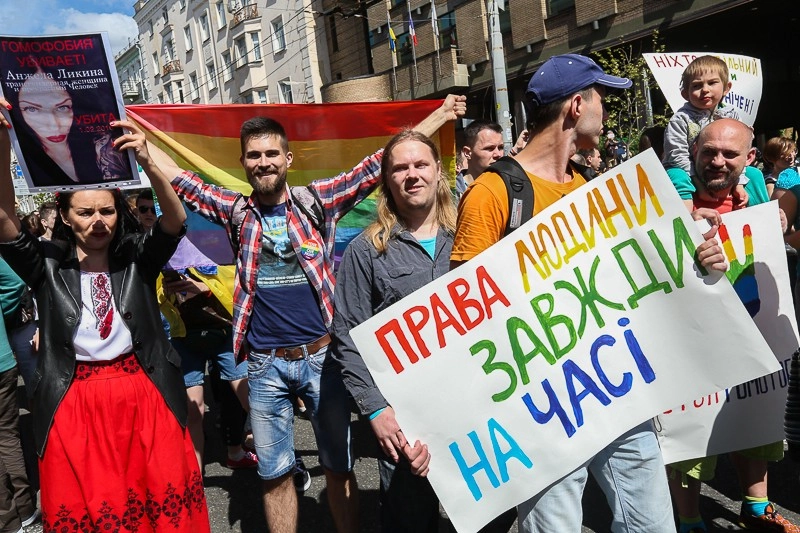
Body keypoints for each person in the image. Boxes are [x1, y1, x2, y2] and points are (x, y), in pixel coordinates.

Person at [146, 95, 466, 533]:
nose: (263, 162)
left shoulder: (317, 202)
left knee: (339, 466)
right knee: (273, 474)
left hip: (324, 361)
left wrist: (440, 117)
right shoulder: (238, 212)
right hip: (263, 365)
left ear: (288, 158)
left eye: (271, 153)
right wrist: (142, 143)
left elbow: (381, 162)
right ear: (244, 163)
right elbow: (183, 180)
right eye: (254, 156)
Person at [451, 53, 674, 533]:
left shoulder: (592, 190)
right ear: (576, 105)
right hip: (543, 403)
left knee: (652, 524)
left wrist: (695, 252)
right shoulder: (493, 193)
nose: (606, 113)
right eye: (602, 100)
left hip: (614, 384)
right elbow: (463, 311)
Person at [0, 102, 210, 532]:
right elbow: (3, 220)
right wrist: (2, 141)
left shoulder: (136, 257)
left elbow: (175, 221)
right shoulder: (46, 266)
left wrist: (148, 160)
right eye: (85, 212)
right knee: (97, 508)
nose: (98, 221)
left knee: (159, 503)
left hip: (144, 394)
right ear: (64, 215)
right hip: (74, 401)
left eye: (107, 210)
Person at [673, 118, 797, 533]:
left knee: (755, 412)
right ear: (694, 152)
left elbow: (772, 237)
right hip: (691, 335)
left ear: (749, 158)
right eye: (709, 151)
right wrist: (686, 223)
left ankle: (756, 506)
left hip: (751, 324)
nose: (718, 161)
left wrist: (778, 224)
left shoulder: (757, 187)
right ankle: (689, 518)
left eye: (730, 154)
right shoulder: (672, 188)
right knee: (692, 427)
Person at [331, 129, 450, 532]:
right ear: (387, 180)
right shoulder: (367, 250)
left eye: (420, 165)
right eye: (400, 168)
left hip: (475, 406)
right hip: (406, 418)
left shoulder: (472, 234)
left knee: (491, 516)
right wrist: (376, 411)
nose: (411, 175)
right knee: (411, 519)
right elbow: (347, 336)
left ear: (438, 172)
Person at [5, 64, 128, 187]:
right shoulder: (25, 162)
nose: (54, 125)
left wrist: (146, 161)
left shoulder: (104, 148)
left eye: (62, 107)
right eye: (31, 109)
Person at [661, 55, 747, 209]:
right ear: (685, 94)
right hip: (686, 170)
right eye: (696, 85)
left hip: (716, 168)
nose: (705, 90)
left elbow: (741, 151)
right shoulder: (681, 119)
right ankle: (687, 218)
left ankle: (762, 217)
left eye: (712, 83)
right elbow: (676, 155)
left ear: (727, 88)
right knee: (677, 176)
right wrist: (698, 183)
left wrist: (739, 182)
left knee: (754, 174)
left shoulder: (732, 116)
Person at [0, 258, 39, 532]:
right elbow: (14, 284)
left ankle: (11, 519)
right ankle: (23, 510)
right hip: (3, 360)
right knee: (7, 434)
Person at [455, 120, 504, 197]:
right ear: (467, 153)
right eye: (489, 148)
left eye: (501, 148)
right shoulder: (450, 193)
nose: (498, 154)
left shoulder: (509, 186)